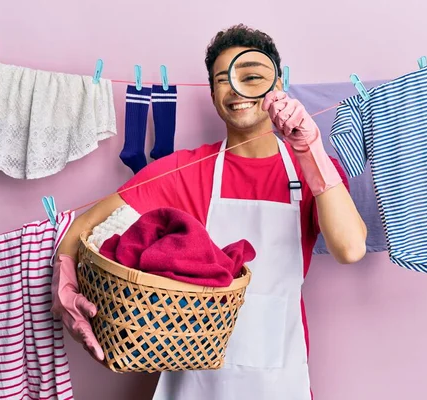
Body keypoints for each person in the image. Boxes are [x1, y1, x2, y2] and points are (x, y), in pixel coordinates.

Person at [51, 24, 367, 400]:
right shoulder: (185, 171)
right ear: (213, 93)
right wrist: (65, 284)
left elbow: (350, 249)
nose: (235, 87)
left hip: (279, 382)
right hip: (192, 385)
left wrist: (310, 151)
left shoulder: (313, 169)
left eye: (251, 76)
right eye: (222, 79)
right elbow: (83, 226)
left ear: (277, 85)